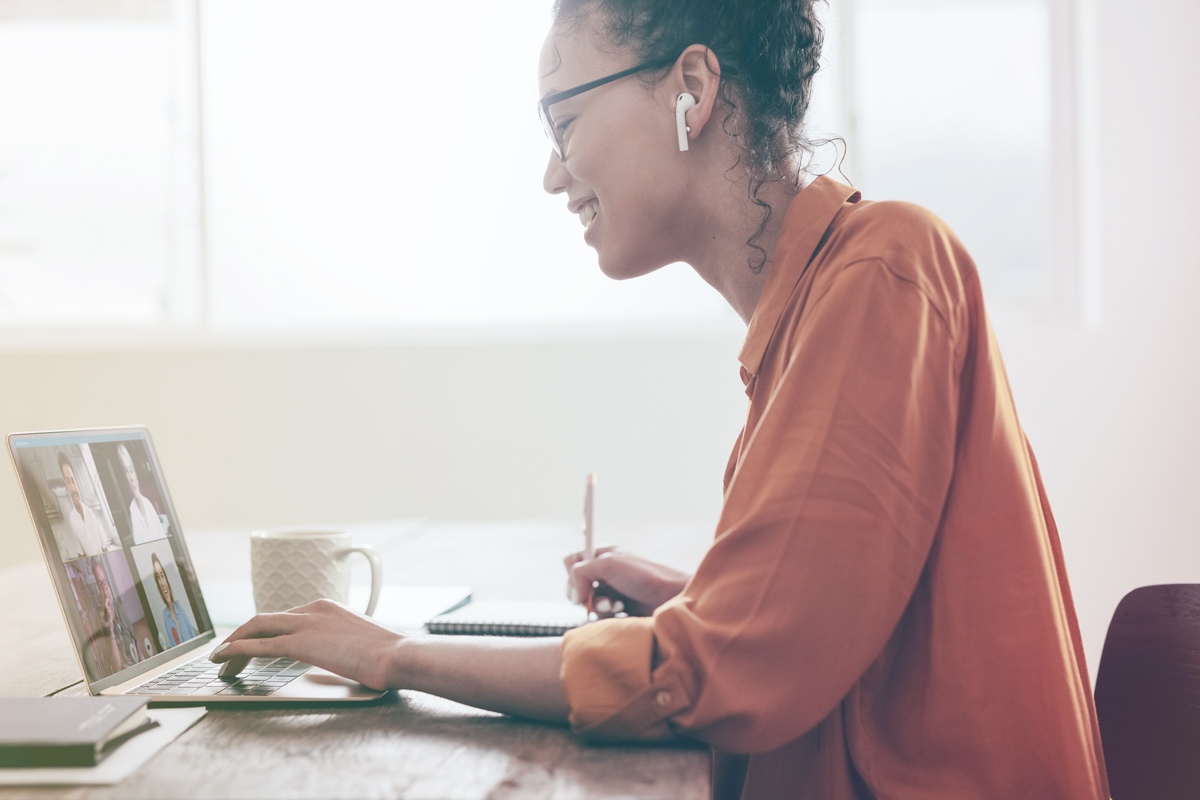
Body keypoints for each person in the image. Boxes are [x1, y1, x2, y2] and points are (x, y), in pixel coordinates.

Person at [211, 1, 1110, 797]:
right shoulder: (817, 308)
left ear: (691, 86)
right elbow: (839, 631)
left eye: (563, 121)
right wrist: (696, 596)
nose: (554, 175)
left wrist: (393, 656)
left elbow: (724, 673)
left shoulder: (884, 267)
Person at [57, 451, 120, 559]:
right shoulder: (72, 520)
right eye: (68, 482)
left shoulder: (90, 513)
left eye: (73, 480)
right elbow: (81, 554)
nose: (73, 488)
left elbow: (104, 547)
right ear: (65, 485)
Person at [84, 558, 140, 678]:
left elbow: (135, 639)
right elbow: (116, 669)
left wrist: (144, 665)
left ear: (108, 584)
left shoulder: (119, 607)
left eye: (104, 583)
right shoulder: (100, 620)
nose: (104, 590)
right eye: (99, 585)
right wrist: (110, 626)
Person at [119, 443, 169, 544]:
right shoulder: (132, 511)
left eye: (131, 470)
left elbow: (162, 537)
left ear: (136, 475)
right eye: (126, 472)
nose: (131, 477)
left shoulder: (147, 503)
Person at [151, 551, 197, 647]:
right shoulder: (165, 615)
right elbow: (173, 646)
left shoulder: (179, 605)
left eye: (162, 575)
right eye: (158, 577)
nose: (162, 582)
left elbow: (191, 633)